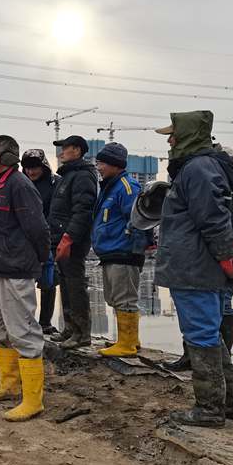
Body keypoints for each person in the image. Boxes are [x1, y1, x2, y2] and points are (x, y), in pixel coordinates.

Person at [154, 110, 233, 427]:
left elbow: (213, 219)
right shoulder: (200, 166)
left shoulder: (197, 168)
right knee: (209, 334)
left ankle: (210, 409)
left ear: (187, 135)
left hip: (194, 269)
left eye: (173, 135)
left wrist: (229, 258)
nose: (170, 141)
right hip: (195, 266)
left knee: (200, 336)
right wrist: (228, 258)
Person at [0, 136, 51, 422]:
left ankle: (33, 400)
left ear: (5, 157)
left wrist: (41, 260)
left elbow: (38, 228)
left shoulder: (19, 186)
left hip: (15, 270)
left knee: (23, 331)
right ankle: (8, 384)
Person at [164, 147, 233, 371]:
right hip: (205, 257)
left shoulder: (228, 191)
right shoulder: (201, 180)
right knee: (198, 318)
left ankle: (219, 361)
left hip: (220, 259)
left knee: (219, 310)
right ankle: (193, 356)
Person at [91, 143, 146, 357]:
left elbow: (138, 220)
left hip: (123, 252)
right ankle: (129, 339)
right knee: (114, 298)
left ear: (115, 164)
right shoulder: (110, 187)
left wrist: (135, 250)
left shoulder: (127, 187)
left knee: (125, 298)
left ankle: (127, 345)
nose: (99, 167)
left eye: (102, 163)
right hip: (111, 252)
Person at [47, 135, 97, 349]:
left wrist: (68, 238)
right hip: (61, 238)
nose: (61, 153)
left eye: (65, 148)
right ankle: (69, 328)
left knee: (75, 285)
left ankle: (81, 333)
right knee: (66, 283)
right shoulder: (68, 175)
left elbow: (82, 211)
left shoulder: (83, 176)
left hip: (72, 241)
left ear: (77, 150)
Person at [21, 149, 61, 335]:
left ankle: (45, 322)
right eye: (27, 168)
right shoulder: (20, 184)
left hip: (48, 237)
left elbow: (57, 212)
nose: (31, 172)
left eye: (35, 168)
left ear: (43, 166)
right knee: (24, 284)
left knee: (49, 282)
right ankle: (26, 322)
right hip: (24, 240)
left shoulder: (55, 184)